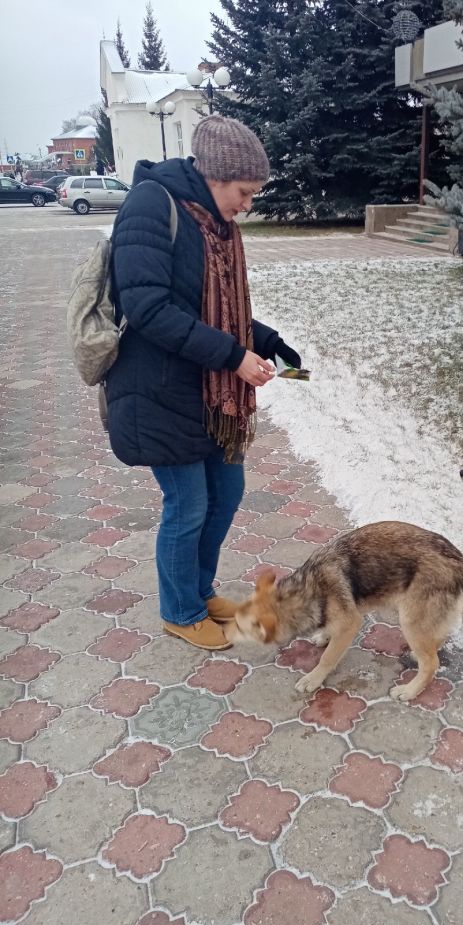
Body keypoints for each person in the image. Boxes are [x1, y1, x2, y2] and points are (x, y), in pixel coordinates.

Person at [106, 115, 302, 650]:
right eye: (245, 191)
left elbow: (215, 308)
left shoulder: (216, 224)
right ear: (216, 176)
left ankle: (197, 586)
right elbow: (147, 307)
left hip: (206, 392)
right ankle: (180, 609)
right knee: (187, 504)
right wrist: (234, 355)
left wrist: (265, 342)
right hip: (159, 390)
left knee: (226, 492)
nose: (248, 204)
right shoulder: (153, 205)